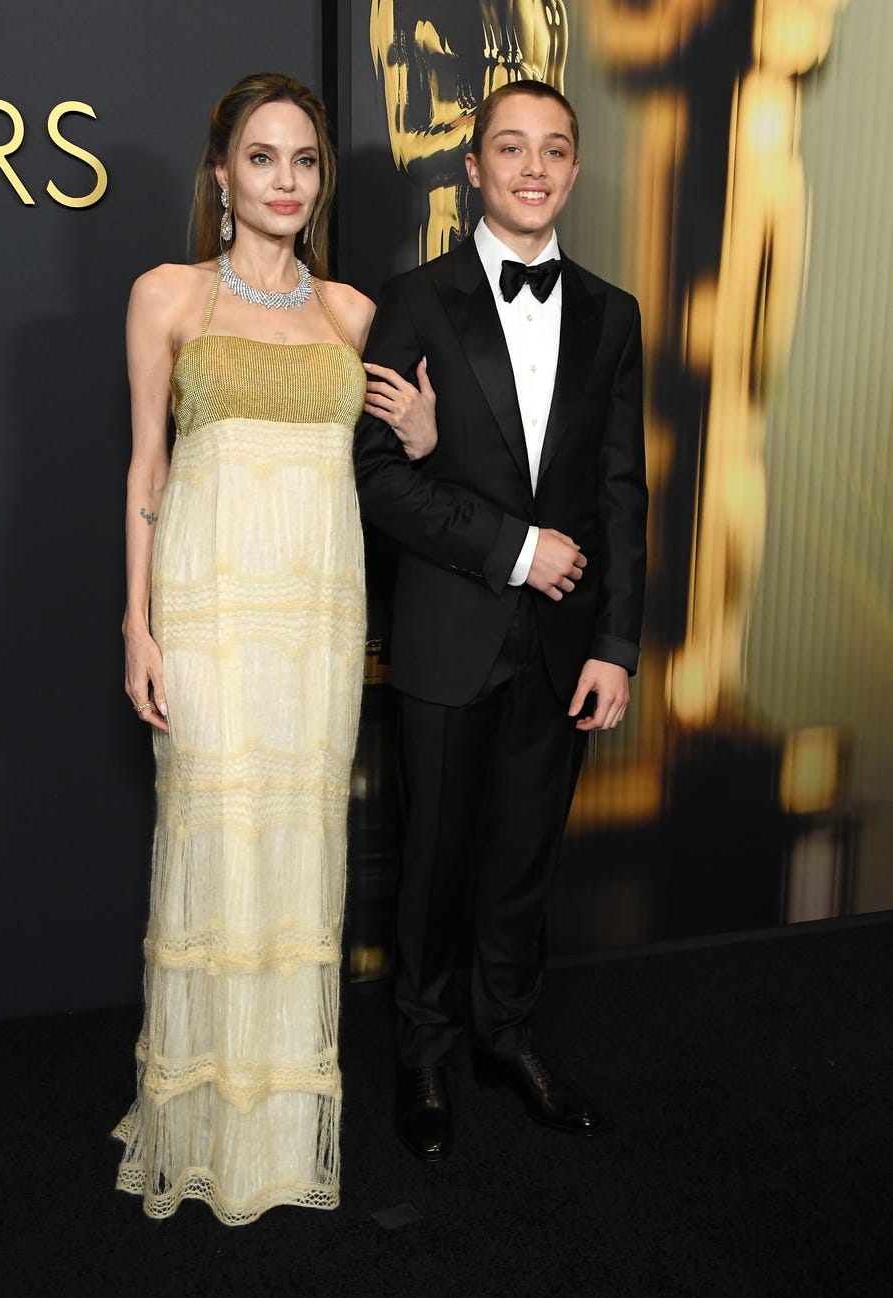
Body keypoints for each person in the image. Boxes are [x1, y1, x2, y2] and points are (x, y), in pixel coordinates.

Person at [114, 72, 412, 1225]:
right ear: (222, 173)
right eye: (260, 158)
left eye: (302, 161)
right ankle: (202, 1117)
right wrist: (136, 623)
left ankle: (282, 1131)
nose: (283, 181)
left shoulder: (349, 316)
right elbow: (146, 469)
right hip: (208, 609)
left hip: (318, 621)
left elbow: (396, 468)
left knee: (297, 854)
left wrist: (423, 429)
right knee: (212, 838)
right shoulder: (167, 295)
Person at [354, 80, 648, 1161]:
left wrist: (617, 644)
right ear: (470, 167)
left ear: (573, 170)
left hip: (565, 645)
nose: (533, 167)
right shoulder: (415, 296)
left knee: (523, 857)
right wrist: (516, 547)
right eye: (510, 148)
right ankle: (424, 1055)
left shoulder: (612, 314)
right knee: (433, 861)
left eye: (554, 149)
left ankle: (506, 1037)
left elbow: (622, 493)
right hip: (447, 631)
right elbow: (378, 476)